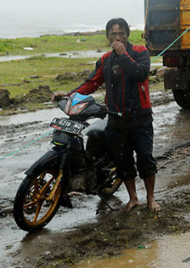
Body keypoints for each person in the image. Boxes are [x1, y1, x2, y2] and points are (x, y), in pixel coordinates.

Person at [55, 18, 161, 212]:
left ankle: (151, 198)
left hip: (140, 117)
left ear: (128, 34)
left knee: (145, 157)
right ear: (107, 37)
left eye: (121, 33)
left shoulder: (139, 52)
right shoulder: (105, 59)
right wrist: (70, 95)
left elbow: (140, 73)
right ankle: (133, 198)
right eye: (113, 34)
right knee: (123, 160)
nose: (118, 37)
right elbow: (92, 83)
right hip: (115, 118)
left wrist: (123, 55)